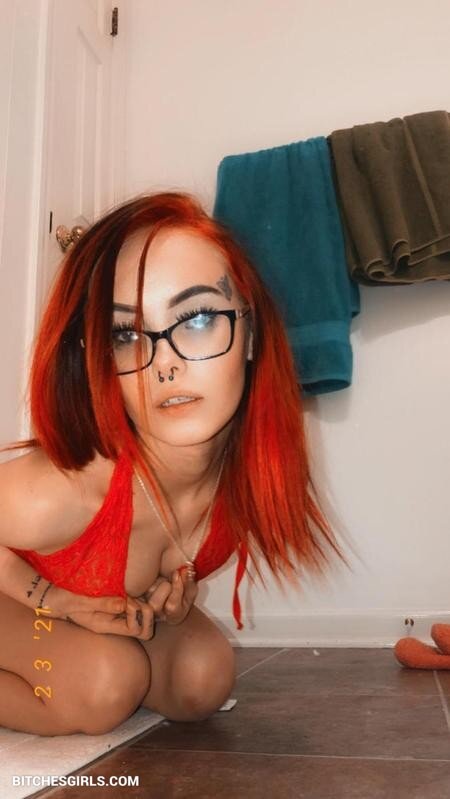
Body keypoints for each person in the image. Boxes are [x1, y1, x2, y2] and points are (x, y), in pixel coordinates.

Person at [0, 191, 348, 737]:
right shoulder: (66, 487)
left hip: (73, 615)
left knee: (201, 680)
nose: (164, 364)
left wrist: (169, 594)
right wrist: (55, 601)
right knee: (105, 684)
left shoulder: (241, 477)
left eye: (199, 318)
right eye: (125, 335)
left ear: (251, 333)